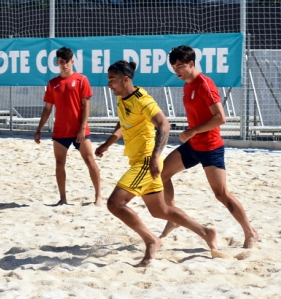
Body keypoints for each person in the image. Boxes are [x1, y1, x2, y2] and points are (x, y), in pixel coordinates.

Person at [95, 60, 217, 267]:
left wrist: (154, 157)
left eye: (112, 80)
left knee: (114, 203)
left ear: (126, 80)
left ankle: (152, 240)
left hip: (145, 161)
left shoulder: (142, 100)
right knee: (160, 210)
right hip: (139, 160)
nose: (109, 84)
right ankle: (205, 231)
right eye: (108, 80)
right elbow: (123, 123)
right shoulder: (122, 97)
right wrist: (107, 143)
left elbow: (164, 124)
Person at [160, 45, 259, 248]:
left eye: (180, 66)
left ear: (191, 64)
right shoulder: (187, 84)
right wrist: (192, 133)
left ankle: (250, 232)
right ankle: (173, 217)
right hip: (192, 146)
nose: (176, 70)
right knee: (161, 173)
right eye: (173, 66)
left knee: (221, 194)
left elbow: (221, 118)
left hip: (210, 148)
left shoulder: (205, 84)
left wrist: (193, 131)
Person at [34, 47, 102, 206]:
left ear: (72, 62)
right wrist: (39, 129)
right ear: (57, 62)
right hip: (60, 131)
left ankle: (98, 197)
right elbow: (47, 108)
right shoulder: (53, 84)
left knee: (90, 160)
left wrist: (82, 128)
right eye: (61, 62)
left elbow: (86, 106)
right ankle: (63, 198)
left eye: (67, 62)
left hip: (80, 129)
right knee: (59, 164)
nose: (64, 65)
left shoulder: (81, 80)